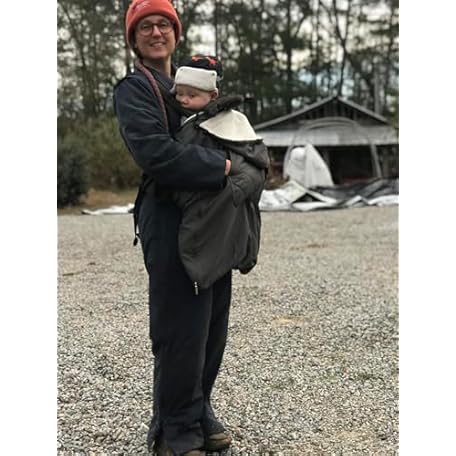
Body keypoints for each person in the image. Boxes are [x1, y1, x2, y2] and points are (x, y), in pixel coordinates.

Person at [113, 1, 252, 455]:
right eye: (145, 27)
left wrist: (248, 166)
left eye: (163, 24)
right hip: (169, 215)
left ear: (176, 33)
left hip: (213, 218)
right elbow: (156, 153)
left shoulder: (195, 85)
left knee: (211, 324)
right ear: (133, 39)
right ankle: (173, 429)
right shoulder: (135, 89)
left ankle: (198, 408)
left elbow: (233, 131)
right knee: (180, 327)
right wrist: (224, 166)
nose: (156, 32)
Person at [168, 55, 269, 292]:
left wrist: (233, 188)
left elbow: (255, 163)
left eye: (192, 95)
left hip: (219, 200)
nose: (183, 99)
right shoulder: (184, 118)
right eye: (179, 93)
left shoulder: (228, 123)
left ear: (212, 96)